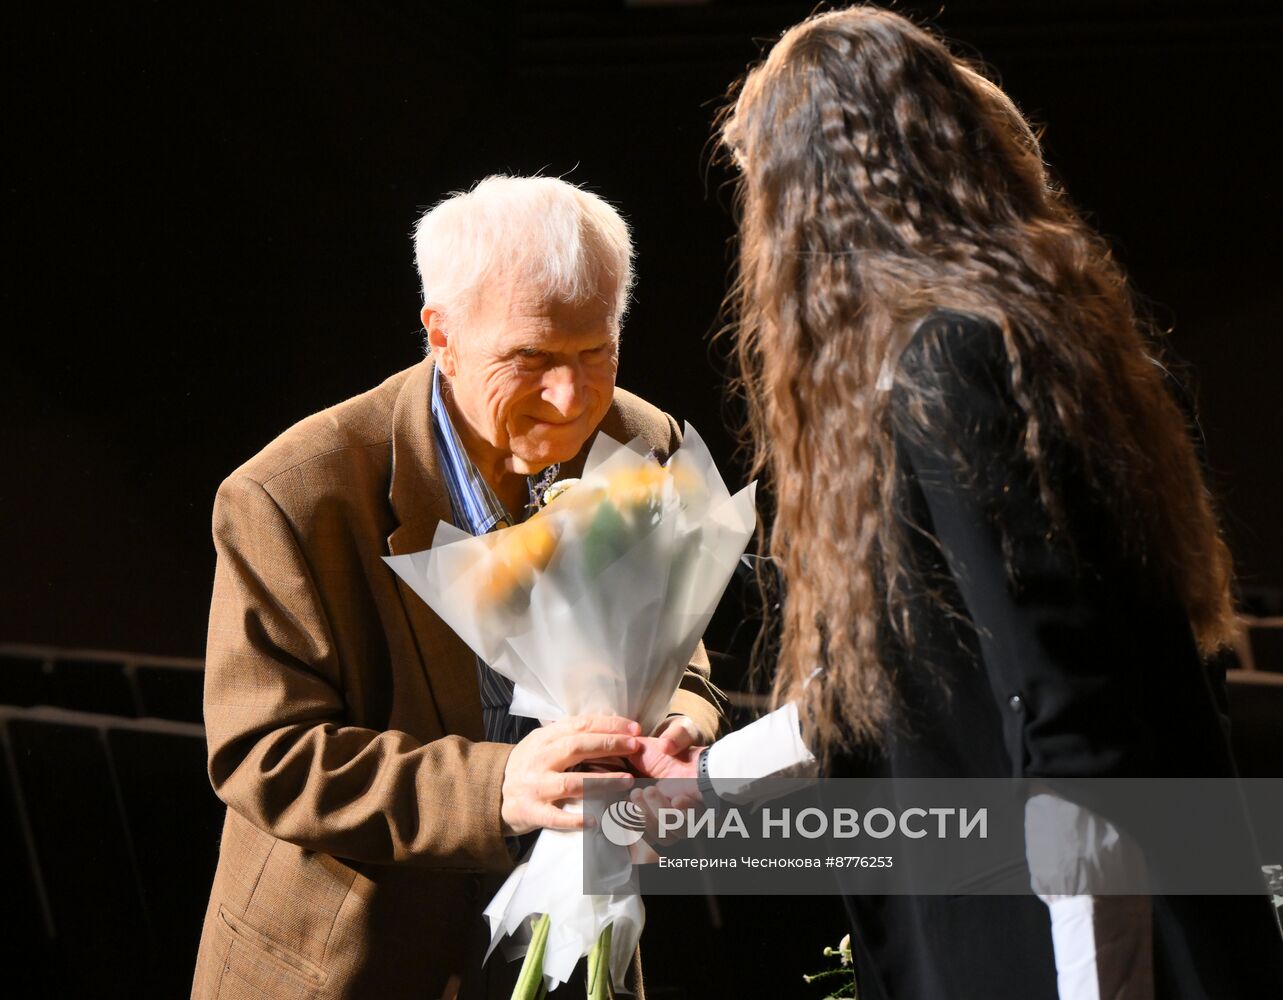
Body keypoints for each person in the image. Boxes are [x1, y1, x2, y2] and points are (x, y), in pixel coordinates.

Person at [636, 6, 1282, 998]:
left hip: (1083, 950)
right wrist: (702, 780)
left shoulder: (954, 364)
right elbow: (887, 687)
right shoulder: (1031, 353)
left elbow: (1072, 738)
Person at [190, 175, 722, 1000]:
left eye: (596, 352)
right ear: (440, 332)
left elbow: (678, 649)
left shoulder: (643, 439)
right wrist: (500, 787)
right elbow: (265, 755)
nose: (572, 398)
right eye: (530, 359)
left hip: (568, 955)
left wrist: (683, 722)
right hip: (350, 963)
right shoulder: (291, 495)